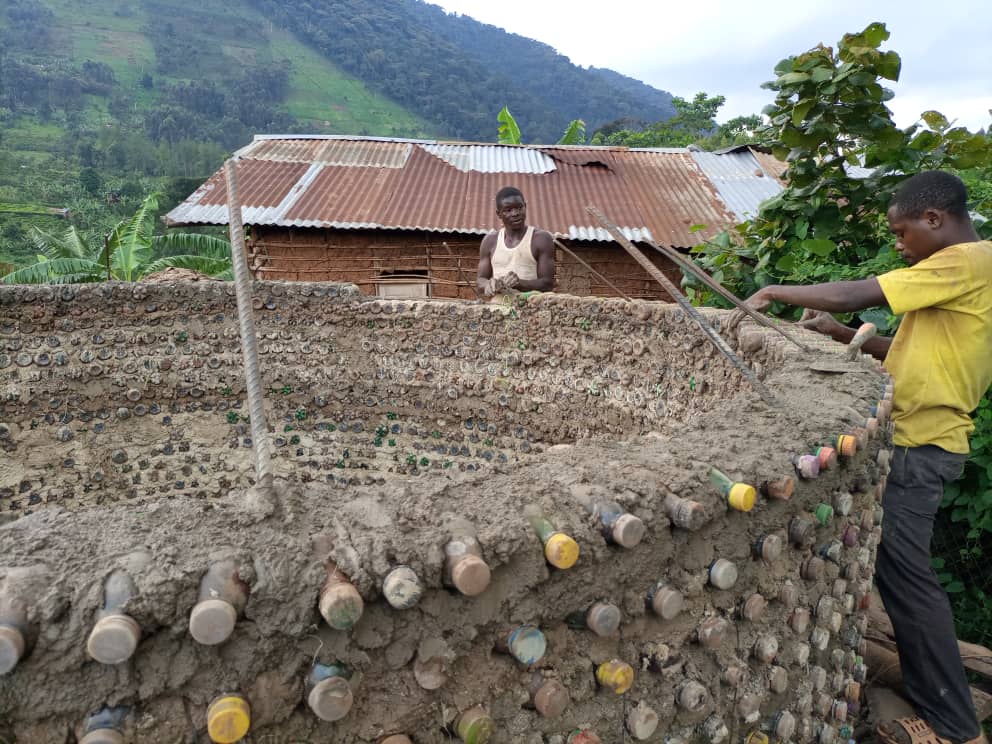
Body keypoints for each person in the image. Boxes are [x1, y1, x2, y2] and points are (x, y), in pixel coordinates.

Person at [745, 171, 992, 744]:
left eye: (902, 233)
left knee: (907, 579)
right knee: (897, 571)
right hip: (919, 439)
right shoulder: (966, 273)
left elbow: (858, 293)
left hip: (922, 443)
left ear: (934, 219)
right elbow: (908, 351)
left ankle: (953, 725)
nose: (898, 245)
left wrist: (775, 291)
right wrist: (838, 333)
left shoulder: (968, 261)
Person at [476, 186, 555, 298]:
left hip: (530, 305)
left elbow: (548, 284)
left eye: (519, 207)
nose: (515, 213)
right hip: (497, 306)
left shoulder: (541, 239)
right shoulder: (490, 241)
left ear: (525, 206)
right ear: (498, 214)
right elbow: (480, 280)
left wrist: (520, 284)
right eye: (508, 210)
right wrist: (488, 284)